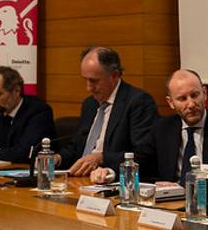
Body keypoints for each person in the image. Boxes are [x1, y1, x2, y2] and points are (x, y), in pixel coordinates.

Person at [91, 69, 208, 195]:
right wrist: (110, 173)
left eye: (195, 95)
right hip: (168, 205)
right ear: (171, 103)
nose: (191, 104)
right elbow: (141, 162)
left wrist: (183, 188)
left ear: (205, 93)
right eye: (182, 98)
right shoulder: (162, 128)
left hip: (205, 204)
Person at [57, 46, 158, 176]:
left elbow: (143, 153)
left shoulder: (138, 102)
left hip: (112, 180)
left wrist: (101, 158)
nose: (88, 88)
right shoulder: (90, 104)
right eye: (85, 80)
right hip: (79, 179)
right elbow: (77, 147)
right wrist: (57, 159)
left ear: (114, 75)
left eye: (94, 81)